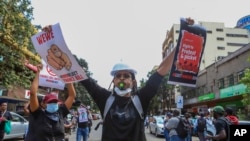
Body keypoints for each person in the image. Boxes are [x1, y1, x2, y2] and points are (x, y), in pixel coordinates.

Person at [24, 64, 76, 141]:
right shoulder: (37, 114)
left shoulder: (60, 113)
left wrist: (67, 76)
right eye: (50, 102)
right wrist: (38, 73)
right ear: (43, 104)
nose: (53, 104)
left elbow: (72, 95)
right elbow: (32, 93)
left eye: (55, 102)